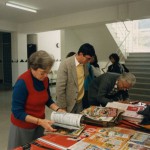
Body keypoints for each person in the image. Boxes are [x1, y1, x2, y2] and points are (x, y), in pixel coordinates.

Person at [7, 50, 65, 149]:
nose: (46, 75)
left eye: (48, 72)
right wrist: (39, 121)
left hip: (39, 125)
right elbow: (17, 112)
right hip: (22, 127)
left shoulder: (44, 80)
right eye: (42, 73)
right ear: (33, 68)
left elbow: (47, 99)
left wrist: (58, 110)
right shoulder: (22, 82)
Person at [56, 43, 96, 113]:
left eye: (90, 59)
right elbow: (60, 88)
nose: (89, 61)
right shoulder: (65, 64)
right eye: (88, 58)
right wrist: (62, 107)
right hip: (68, 104)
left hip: (80, 102)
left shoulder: (85, 64)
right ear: (80, 54)